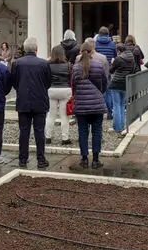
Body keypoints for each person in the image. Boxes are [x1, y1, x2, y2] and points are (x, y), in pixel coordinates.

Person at [11, 37, 51, 168]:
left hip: (23, 101)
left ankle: (22, 159)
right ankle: (40, 159)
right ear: (36, 49)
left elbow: (14, 82)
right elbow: (48, 82)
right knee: (39, 131)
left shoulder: (17, 63)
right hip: (40, 101)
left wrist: (21, 90)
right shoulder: (43, 63)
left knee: (24, 131)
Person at [72, 40, 107, 169]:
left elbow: (74, 85)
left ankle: (84, 158)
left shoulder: (75, 67)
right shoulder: (99, 64)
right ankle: (96, 159)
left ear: (80, 52)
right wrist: (99, 93)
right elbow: (104, 82)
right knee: (97, 131)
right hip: (97, 104)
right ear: (93, 51)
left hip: (81, 104)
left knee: (82, 131)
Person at [45, 45, 72, 145]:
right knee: (64, 116)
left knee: (51, 115)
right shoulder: (68, 65)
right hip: (65, 89)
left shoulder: (48, 65)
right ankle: (65, 138)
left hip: (52, 89)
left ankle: (47, 137)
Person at [109, 43, 136, 132]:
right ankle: (122, 125)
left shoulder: (118, 59)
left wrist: (112, 62)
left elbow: (111, 70)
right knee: (121, 105)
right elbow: (133, 70)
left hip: (116, 83)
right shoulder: (131, 58)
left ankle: (117, 127)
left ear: (119, 51)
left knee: (116, 105)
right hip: (126, 84)